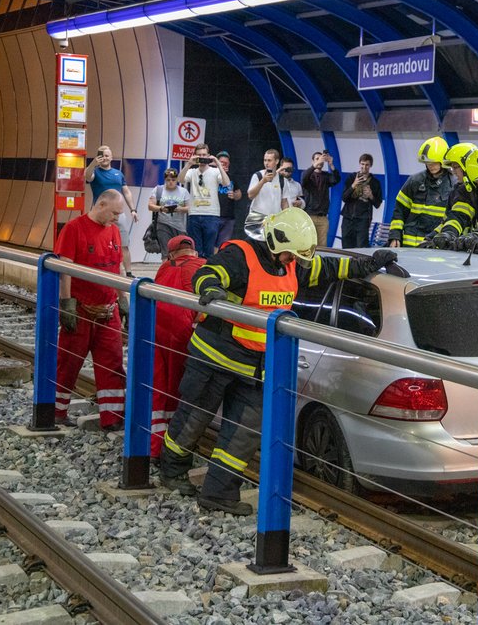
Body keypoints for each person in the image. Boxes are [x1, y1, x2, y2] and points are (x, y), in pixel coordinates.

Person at [159, 207, 398, 515]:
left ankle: (219, 493)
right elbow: (206, 274)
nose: (293, 262)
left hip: (256, 367)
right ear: (275, 242)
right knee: (194, 419)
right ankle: (172, 469)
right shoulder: (240, 256)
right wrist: (211, 291)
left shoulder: (292, 264)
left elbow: (329, 269)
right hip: (215, 358)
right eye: (289, 255)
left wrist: (370, 263)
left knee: (243, 435)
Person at [53, 190, 129, 430]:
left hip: (108, 312)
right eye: (115, 213)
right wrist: (66, 303)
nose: (117, 218)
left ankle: (112, 419)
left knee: (112, 365)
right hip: (82, 310)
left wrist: (122, 299)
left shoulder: (113, 230)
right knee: (68, 362)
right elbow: (65, 269)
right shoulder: (74, 229)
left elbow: (117, 268)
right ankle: (56, 412)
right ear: (102, 204)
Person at [150, 235, 205, 457]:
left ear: (171, 254)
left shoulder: (164, 268)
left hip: (157, 333)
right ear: (195, 252)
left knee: (159, 388)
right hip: (186, 337)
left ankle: (154, 444)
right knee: (184, 392)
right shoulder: (203, 266)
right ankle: (178, 444)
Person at [388, 136, 455, 247]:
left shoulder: (454, 185)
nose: (430, 166)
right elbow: (399, 210)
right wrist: (395, 235)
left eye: (433, 162)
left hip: (434, 246)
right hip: (408, 244)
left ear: (443, 161)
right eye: (427, 162)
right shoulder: (414, 181)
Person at [85, 145, 138, 277]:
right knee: (97, 243)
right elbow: (87, 176)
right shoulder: (95, 172)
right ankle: (97, 268)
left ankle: (129, 272)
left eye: (107, 155)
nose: (105, 158)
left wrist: (133, 209)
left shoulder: (118, 173)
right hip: (100, 215)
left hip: (118, 214)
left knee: (124, 243)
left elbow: (126, 192)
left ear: (112, 157)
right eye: (102, 156)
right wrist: (93, 163)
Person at [182, 143, 230, 258]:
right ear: (195, 156)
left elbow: (226, 183)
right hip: (194, 213)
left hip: (211, 214)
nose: (202, 157)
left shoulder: (215, 171)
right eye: (199, 155)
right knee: (196, 250)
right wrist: (189, 164)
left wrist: (218, 164)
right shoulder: (192, 172)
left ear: (209, 155)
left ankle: (207, 273)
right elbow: (180, 179)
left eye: (204, 155)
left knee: (209, 250)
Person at [246, 150, 298, 238]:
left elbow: (284, 203)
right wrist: (263, 181)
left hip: (275, 219)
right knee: (257, 245)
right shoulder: (258, 176)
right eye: (265, 160)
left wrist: (287, 219)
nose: (266, 163)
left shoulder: (282, 180)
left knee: (272, 247)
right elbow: (250, 195)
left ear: (277, 161)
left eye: (269, 160)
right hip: (258, 218)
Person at [341, 153, 383, 248]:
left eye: (367, 165)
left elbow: (377, 204)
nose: (364, 167)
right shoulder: (351, 178)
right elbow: (344, 198)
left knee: (361, 247)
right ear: (359, 164)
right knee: (346, 247)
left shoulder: (375, 183)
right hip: (348, 218)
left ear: (370, 165)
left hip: (363, 220)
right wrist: (353, 185)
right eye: (362, 164)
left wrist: (371, 196)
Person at [147, 168, 190, 260]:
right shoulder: (158, 190)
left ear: (177, 180)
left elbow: (190, 208)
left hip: (179, 226)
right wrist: (161, 208)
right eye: (168, 180)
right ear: (165, 180)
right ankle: (166, 271)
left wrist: (180, 209)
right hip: (163, 224)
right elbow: (150, 206)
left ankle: (177, 272)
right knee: (166, 252)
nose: (171, 182)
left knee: (180, 252)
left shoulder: (183, 191)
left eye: (173, 180)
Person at [301, 150, 341, 247]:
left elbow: (336, 179)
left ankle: (320, 262)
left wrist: (331, 164)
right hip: (310, 216)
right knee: (309, 245)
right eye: (317, 159)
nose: (319, 161)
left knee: (322, 246)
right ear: (312, 161)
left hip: (323, 217)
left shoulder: (326, 175)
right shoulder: (307, 174)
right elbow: (303, 179)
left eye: (321, 159)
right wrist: (315, 165)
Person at [214, 151, 242, 249]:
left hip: (228, 218)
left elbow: (239, 194)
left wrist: (234, 195)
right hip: (213, 216)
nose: (224, 165)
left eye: (226, 163)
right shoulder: (210, 176)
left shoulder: (232, 177)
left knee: (223, 245)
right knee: (211, 244)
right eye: (221, 162)